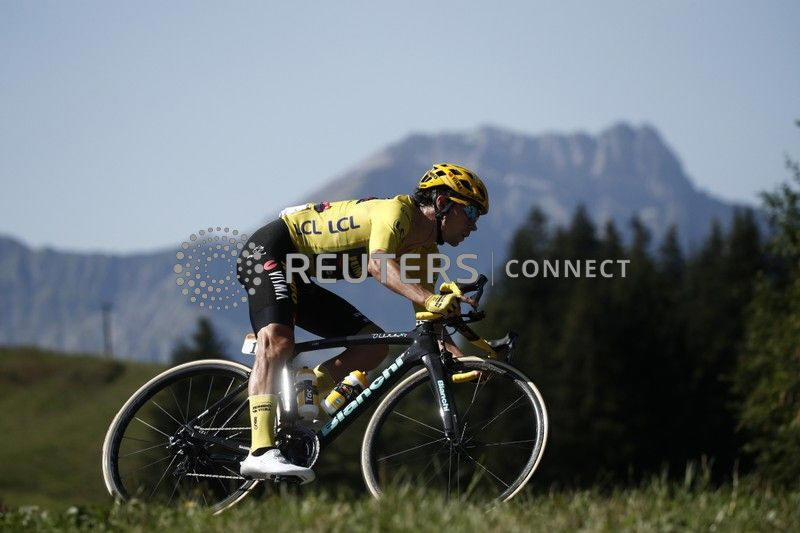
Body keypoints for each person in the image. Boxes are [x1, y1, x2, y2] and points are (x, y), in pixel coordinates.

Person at [237, 163, 489, 482]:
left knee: (373, 347)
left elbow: (431, 322)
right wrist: (431, 299)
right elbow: (378, 264)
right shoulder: (396, 213)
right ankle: (260, 451)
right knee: (279, 342)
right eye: (471, 212)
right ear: (442, 203)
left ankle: (306, 391)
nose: (474, 225)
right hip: (269, 251)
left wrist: (462, 360)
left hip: (296, 275)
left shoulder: (425, 252)